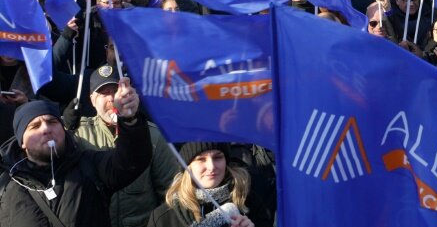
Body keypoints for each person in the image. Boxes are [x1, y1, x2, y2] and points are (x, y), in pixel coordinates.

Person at [0, 81, 152, 227]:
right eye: (35, 126)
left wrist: (130, 120)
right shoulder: (6, 186)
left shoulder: (90, 164)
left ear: (63, 130)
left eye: (52, 122)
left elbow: (130, 161)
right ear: (22, 142)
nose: (46, 129)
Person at [75, 64, 177, 227]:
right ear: (92, 100)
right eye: (104, 93)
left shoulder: (152, 135)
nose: (111, 98)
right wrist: (67, 126)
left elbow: (170, 192)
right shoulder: (78, 135)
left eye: (115, 91)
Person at [146, 142, 271, 227]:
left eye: (218, 158)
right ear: (187, 166)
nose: (211, 167)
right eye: (201, 159)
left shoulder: (250, 203)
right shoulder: (163, 217)